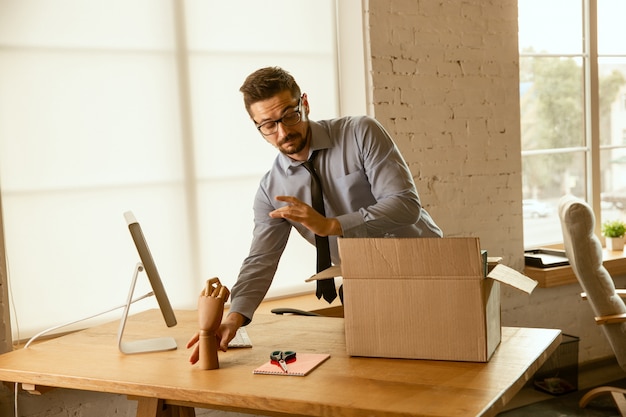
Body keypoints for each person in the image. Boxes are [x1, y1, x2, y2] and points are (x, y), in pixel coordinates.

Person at [187, 66, 442, 363]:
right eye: (268, 125)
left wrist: (332, 225)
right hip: (366, 284)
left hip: (431, 272)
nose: (282, 132)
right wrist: (234, 318)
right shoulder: (272, 189)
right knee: (378, 380)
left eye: (289, 116)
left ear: (304, 104)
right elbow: (262, 259)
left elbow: (405, 204)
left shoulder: (360, 132)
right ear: (257, 126)